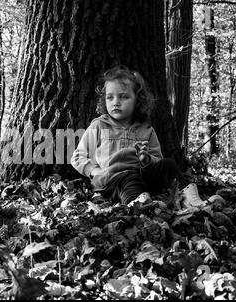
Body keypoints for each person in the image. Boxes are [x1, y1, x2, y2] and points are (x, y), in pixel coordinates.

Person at [71, 65, 205, 208]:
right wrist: (93, 171)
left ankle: (188, 198)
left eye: (124, 97)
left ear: (138, 100)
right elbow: (78, 157)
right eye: (110, 97)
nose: (115, 102)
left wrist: (146, 160)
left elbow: (157, 158)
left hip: (143, 177)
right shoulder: (99, 126)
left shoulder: (146, 129)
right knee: (129, 177)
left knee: (168, 164)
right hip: (111, 180)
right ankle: (137, 206)